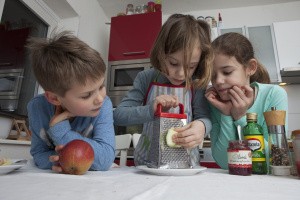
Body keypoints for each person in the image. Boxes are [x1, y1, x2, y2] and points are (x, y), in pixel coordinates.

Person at [113, 14, 213, 166]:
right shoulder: (146, 78)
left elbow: (204, 117)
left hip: (186, 166)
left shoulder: (197, 85)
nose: (181, 74)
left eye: (190, 66)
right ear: (161, 54)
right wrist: (149, 110)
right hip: (147, 165)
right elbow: (119, 115)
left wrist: (202, 126)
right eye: (173, 63)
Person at [26, 31, 115, 172]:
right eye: (86, 95)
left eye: (101, 86)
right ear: (54, 98)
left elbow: (105, 159)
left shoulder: (104, 105)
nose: (100, 98)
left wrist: (60, 131)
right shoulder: (37, 107)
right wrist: (63, 160)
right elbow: (38, 154)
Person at [205, 32, 288, 169]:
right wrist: (226, 114)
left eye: (227, 72)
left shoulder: (274, 95)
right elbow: (223, 162)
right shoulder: (215, 103)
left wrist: (241, 117)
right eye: (212, 75)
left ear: (250, 68)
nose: (218, 81)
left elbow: (277, 159)